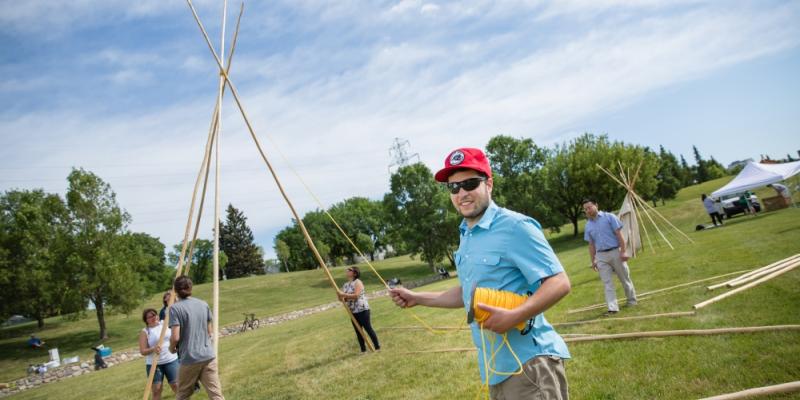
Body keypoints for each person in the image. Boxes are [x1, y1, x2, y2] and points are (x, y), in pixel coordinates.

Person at [389, 147, 571, 399]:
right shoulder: (466, 235)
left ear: (489, 184)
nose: (461, 193)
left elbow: (559, 281)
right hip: (496, 368)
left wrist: (515, 315)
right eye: (453, 187)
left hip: (530, 364)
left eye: (470, 184)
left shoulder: (515, 226)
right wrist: (417, 298)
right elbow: (468, 293)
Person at [169, 276, 225, 400]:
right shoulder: (203, 304)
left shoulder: (174, 308)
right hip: (208, 356)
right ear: (190, 287)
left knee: (182, 395)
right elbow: (209, 330)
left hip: (190, 358)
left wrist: (171, 348)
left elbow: (175, 337)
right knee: (216, 395)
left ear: (175, 290)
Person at [583, 198, 638, 316]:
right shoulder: (587, 226)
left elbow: (620, 235)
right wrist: (593, 260)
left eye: (589, 207)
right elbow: (591, 245)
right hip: (601, 256)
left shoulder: (609, 217)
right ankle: (613, 308)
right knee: (607, 283)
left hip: (615, 252)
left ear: (596, 205)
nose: (588, 210)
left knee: (625, 278)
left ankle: (631, 301)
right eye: (585, 209)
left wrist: (623, 252)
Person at [337, 266, 380, 353]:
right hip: (353, 311)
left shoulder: (358, 282)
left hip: (362, 309)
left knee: (368, 328)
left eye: (349, 270)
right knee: (358, 331)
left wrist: (343, 294)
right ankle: (363, 350)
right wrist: (339, 295)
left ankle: (377, 347)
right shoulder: (346, 285)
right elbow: (343, 299)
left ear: (355, 273)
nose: (347, 271)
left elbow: (356, 295)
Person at [139, 308, 179, 400]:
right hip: (154, 364)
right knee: (157, 389)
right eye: (150, 316)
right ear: (146, 320)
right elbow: (143, 351)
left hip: (171, 360)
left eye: (154, 314)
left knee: (176, 386)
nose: (153, 317)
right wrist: (153, 349)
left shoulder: (165, 324)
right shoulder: (145, 332)